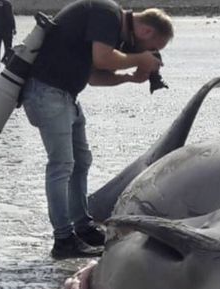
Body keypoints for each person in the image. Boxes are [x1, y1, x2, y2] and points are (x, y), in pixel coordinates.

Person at [20, 0, 173, 259]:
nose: (151, 53)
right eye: (153, 48)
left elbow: (94, 76)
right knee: (61, 165)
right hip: (47, 93)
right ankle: (63, 240)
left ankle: (83, 227)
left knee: (81, 161)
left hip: (65, 95)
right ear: (147, 32)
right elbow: (102, 59)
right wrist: (141, 59)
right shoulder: (107, 13)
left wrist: (129, 77)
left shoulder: (110, 28)